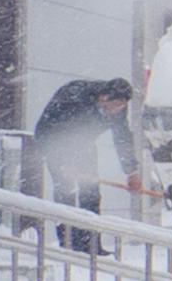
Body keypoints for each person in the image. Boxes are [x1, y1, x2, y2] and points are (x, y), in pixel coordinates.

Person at [24, 77, 134, 249]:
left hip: (85, 145)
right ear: (103, 97)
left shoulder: (118, 108)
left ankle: (91, 244)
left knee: (91, 192)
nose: (116, 111)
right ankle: (68, 243)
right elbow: (51, 130)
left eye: (121, 106)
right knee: (66, 191)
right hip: (55, 142)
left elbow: (122, 137)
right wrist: (62, 162)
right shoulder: (75, 96)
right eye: (114, 106)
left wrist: (131, 171)